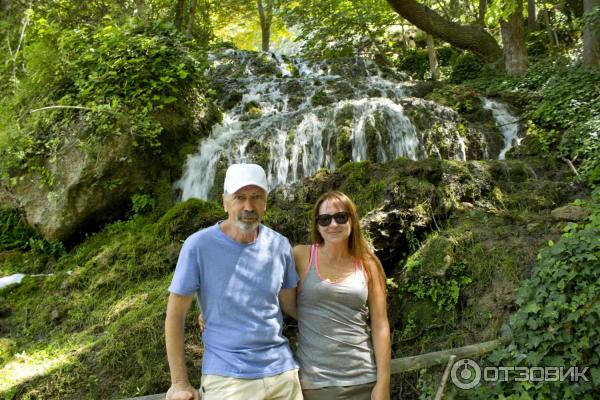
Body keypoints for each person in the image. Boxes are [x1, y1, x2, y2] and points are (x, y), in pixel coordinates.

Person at [165, 163, 302, 400]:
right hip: (228, 380)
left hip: (282, 375)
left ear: (266, 202)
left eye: (256, 197)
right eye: (240, 197)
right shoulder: (198, 246)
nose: (248, 206)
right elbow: (175, 315)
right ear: (225, 201)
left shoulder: (279, 245)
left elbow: (292, 307)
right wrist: (179, 383)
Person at [293, 191, 391, 400]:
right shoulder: (300, 256)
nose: (333, 224)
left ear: (352, 220)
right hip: (315, 384)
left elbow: (380, 324)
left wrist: (383, 383)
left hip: (363, 380)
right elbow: (263, 288)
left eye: (341, 217)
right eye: (325, 219)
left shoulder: (368, 263)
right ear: (317, 225)